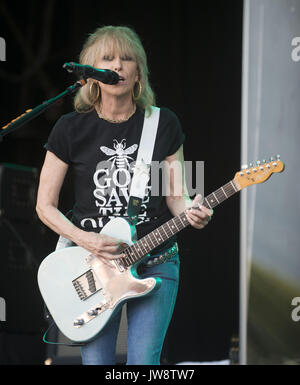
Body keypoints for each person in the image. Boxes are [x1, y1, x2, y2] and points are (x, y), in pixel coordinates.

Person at [36, 25, 213, 365]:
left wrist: (194, 210)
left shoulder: (164, 123)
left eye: (126, 59)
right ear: (91, 73)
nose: (117, 65)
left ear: (138, 73)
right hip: (95, 268)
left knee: (144, 363)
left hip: (157, 261)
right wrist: (84, 239)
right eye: (107, 59)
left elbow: (178, 196)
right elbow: (45, 205)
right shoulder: (70, 128)